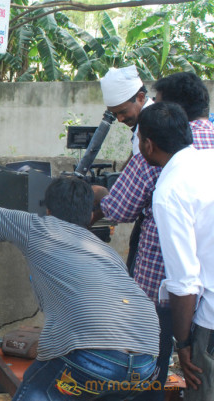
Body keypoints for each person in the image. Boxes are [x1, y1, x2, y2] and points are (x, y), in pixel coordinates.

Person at [0, 173, 159, 400]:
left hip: (94, 357)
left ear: (48, 210)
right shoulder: (105, 251)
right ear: (89, 216)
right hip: (145, 362)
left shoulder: (37, 227)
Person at [92, 71, 214, 399]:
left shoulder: (163, 169)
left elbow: (118, 208)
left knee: (150, 371)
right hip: (206, 295)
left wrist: (95, 197)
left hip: (163, 289)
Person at [137, 101, 214, 401]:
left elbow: (184, 282)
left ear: (147, 144)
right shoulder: (209, 160)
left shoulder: (170, 192)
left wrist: (182, 344)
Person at [99, 65, 153, 158]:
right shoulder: (143, 123)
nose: (119, 119)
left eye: (123, 112)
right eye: (115, 114)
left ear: (140, 97)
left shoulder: (152, 124)